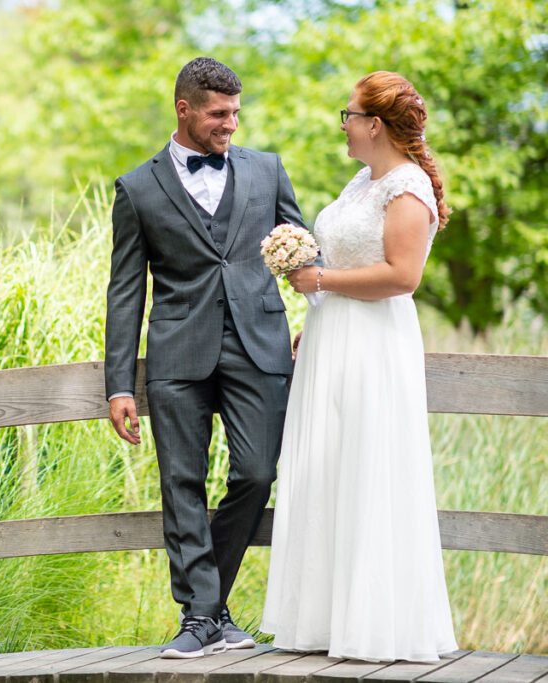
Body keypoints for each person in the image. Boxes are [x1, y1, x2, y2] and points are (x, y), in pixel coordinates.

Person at [104, 57, 305, 658]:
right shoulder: (137, 188)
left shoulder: (267, 170)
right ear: (184, 109)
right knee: (182, 482)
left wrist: (323, 323)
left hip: (259, 345)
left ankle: (207, 610)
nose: (231, 125)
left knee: (256, 474)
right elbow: (125, 291)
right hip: (177, 353)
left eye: (237, 113)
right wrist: (118, 384)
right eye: (219, 114)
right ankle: (201, 617)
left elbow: (303, 257)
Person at [261, 71, 458, 662]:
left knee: (369, 467)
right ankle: (324, 621)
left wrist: (318, 279)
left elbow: (403, 277)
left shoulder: (406, 188)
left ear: (375, 124)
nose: (343, 125)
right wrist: (317, 314)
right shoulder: (362, 182)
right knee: (329, 465)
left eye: (348, 115)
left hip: (374, 345)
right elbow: (354, 259)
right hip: (333, 337)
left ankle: (375, 625)